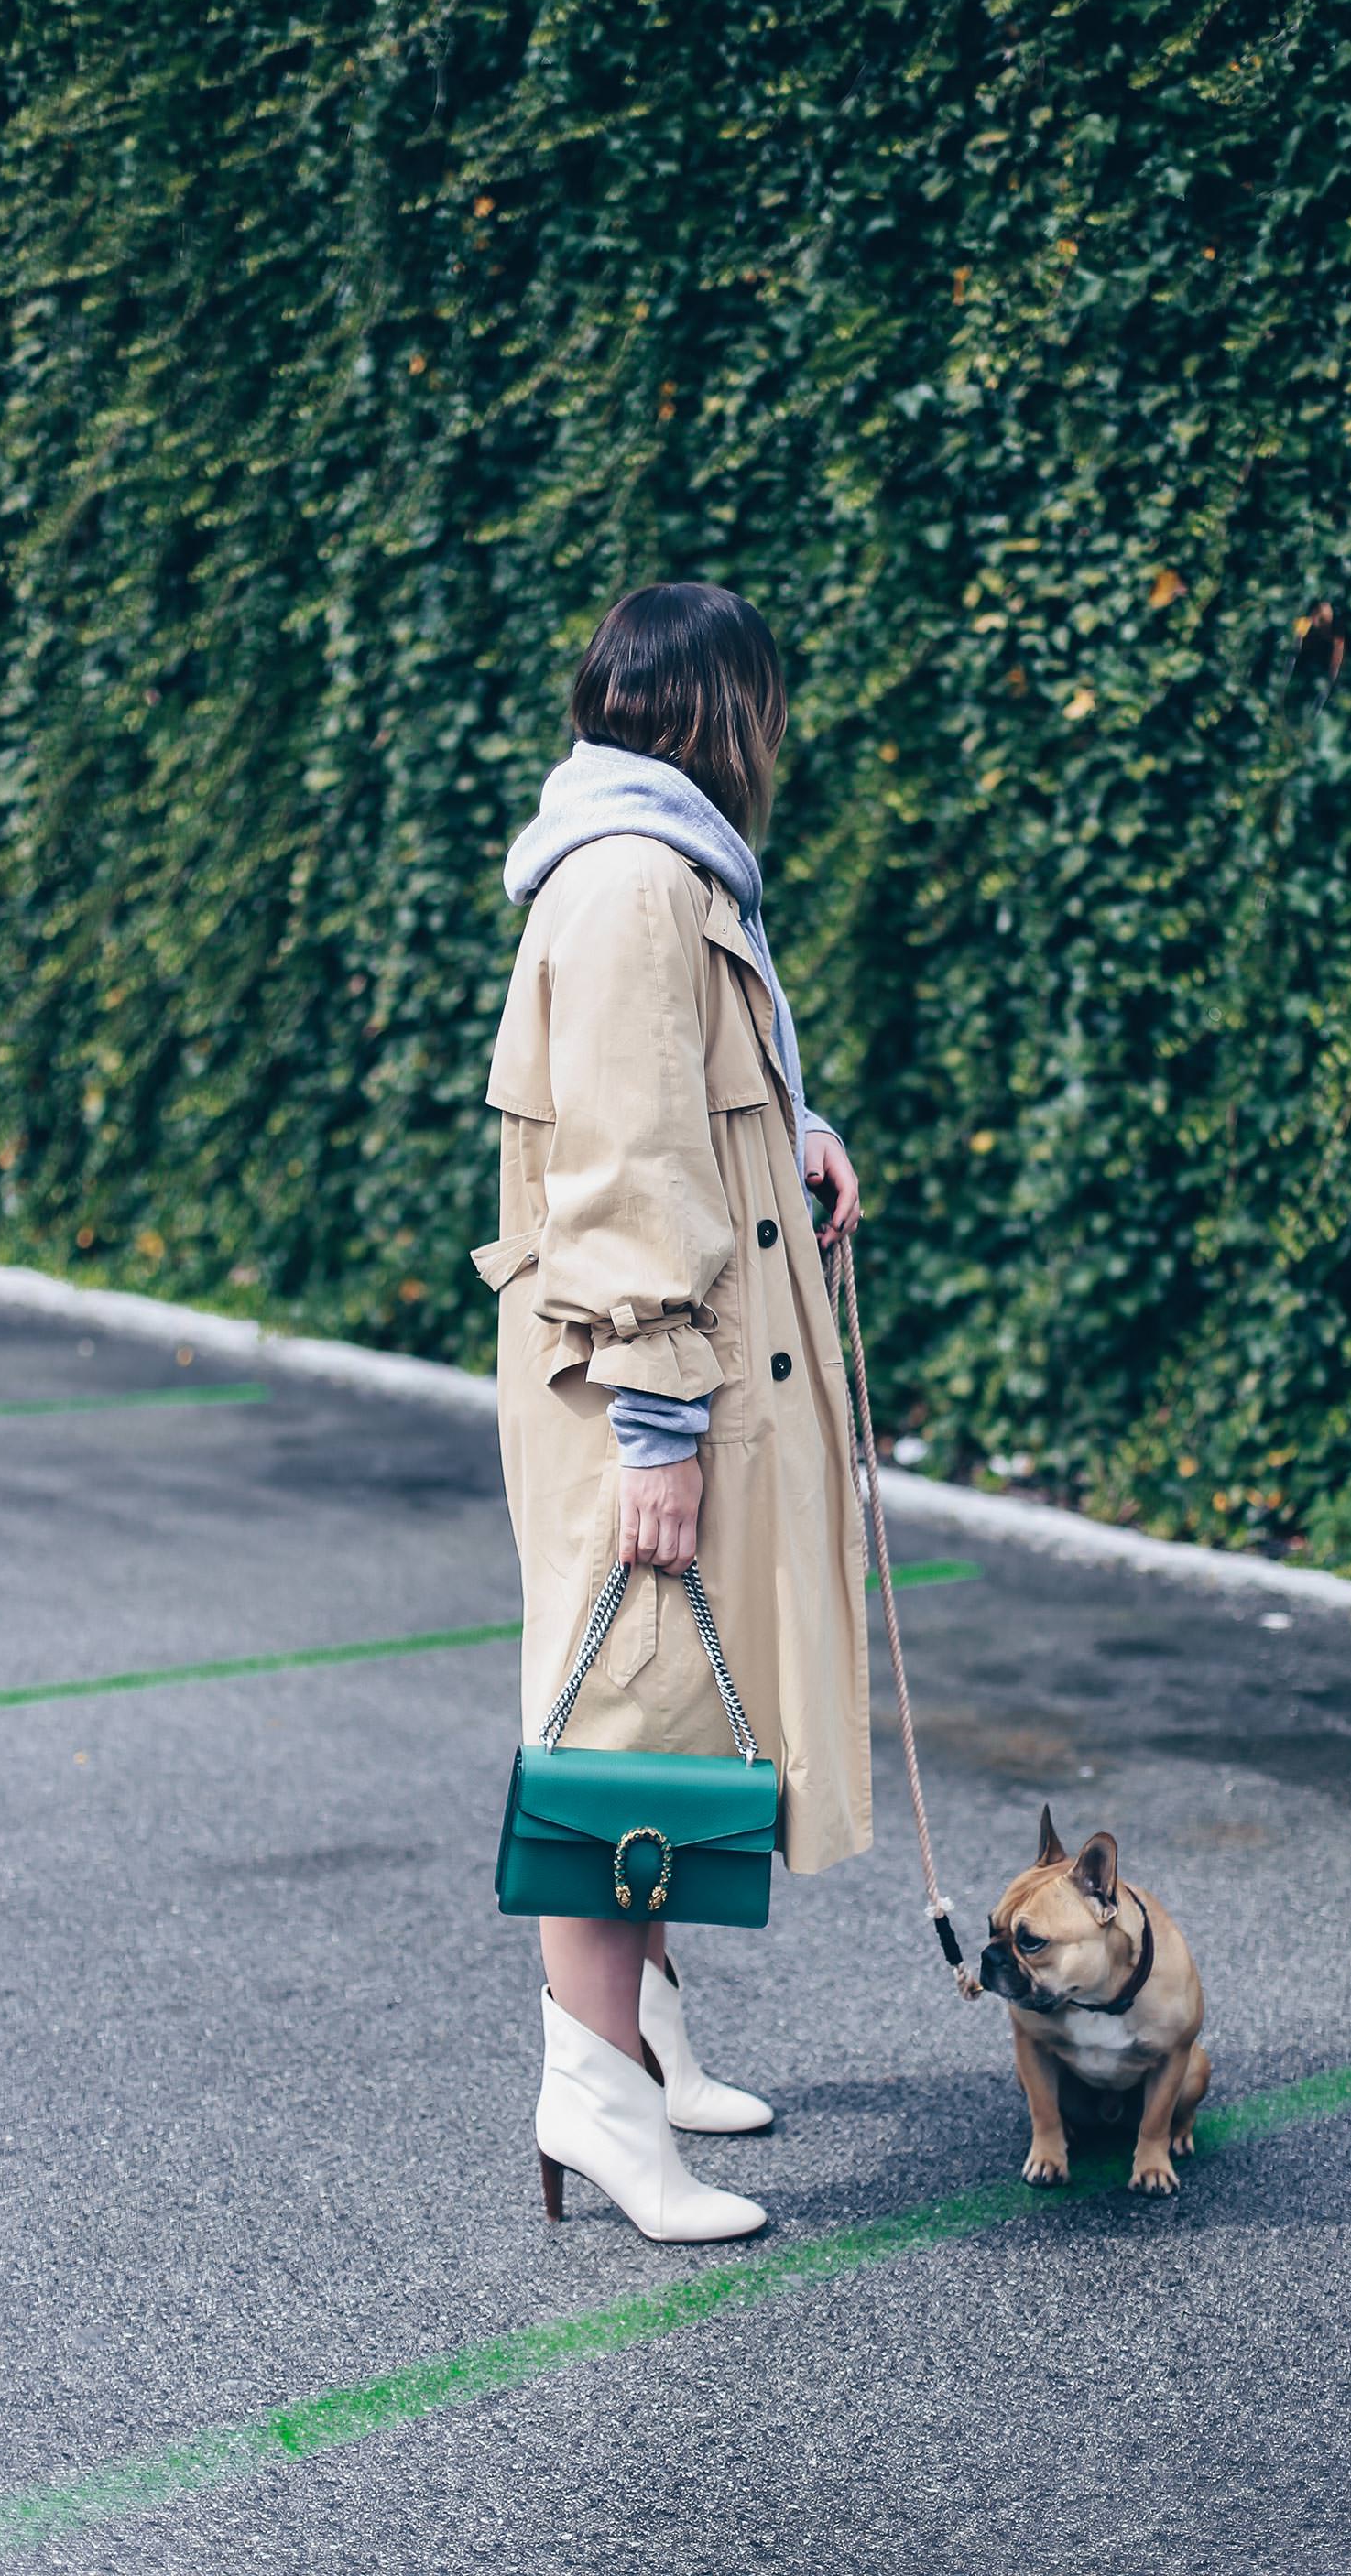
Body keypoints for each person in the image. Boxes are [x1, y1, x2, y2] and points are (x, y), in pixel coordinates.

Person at [472, 582, 871, 2242]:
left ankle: (648, 2039)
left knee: (665, 1714)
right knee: (625, 1727)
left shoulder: (658, 861)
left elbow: (690, 1092)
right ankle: (599, 2102)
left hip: (670, 1366)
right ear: (724, 713)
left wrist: (800, 1133)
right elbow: (629, 1171)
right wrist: (658, 1428)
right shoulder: (641, 880)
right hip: (645, 1378)